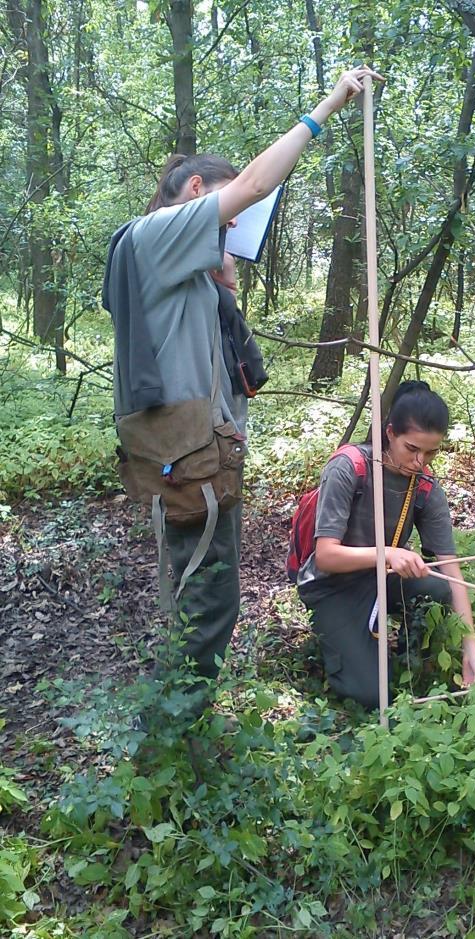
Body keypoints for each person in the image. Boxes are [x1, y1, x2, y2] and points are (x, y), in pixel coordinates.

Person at [104, 65, 383, 713]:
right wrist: (329, 105)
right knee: (208, 603)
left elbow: (215, 356)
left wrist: (221, 282)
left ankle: (178, 732)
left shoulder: (175, 264)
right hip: (190, 459)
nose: (231, 227)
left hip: (197, 455)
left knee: (201, 594)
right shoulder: (153, 235)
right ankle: (172, 741)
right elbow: (259, 180)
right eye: (227, 213)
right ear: (196, 192)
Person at [297, 381, 475, 710]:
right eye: (412, 448)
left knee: (440, 587)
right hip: (333, 587)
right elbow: (325, 556)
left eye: (431, 452)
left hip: (382, 577)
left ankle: (409, 653)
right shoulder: (350, 467)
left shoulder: (426, 488)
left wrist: (471, 647)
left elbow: (452, 570)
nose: (420, 461)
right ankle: (346, 644)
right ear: (390, 433)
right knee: (372, 695)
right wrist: (388, 553)